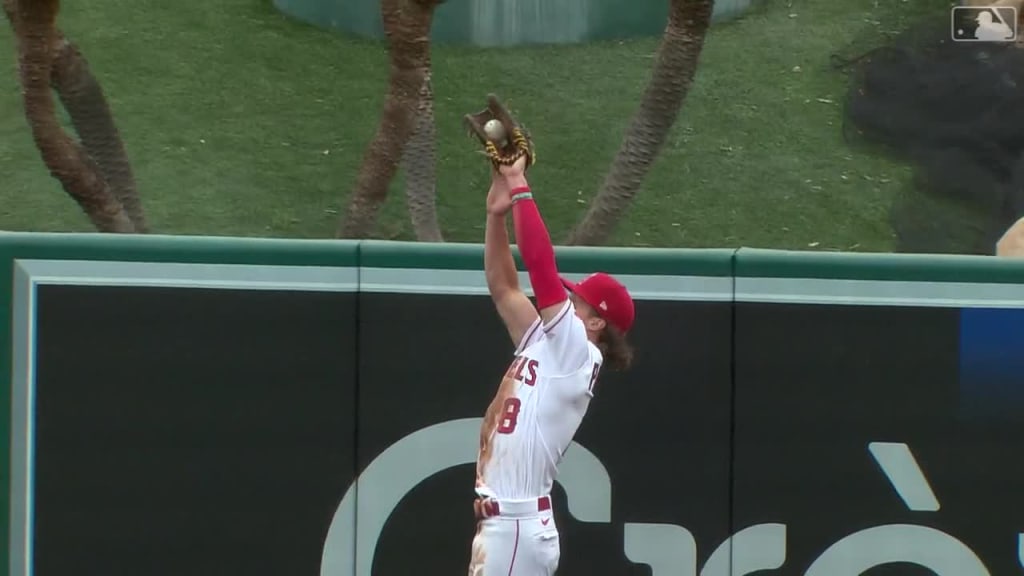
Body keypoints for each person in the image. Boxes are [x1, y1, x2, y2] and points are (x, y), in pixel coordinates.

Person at [467, 155, 635, 575]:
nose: (567, 302)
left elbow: (542, 270)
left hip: (516, 529)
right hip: (508, 528)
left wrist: (520, 184)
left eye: (577, 302)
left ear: (597, 322)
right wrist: (495, 216)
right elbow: (504, 285)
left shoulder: (577, 350)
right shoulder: (548, 343)